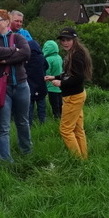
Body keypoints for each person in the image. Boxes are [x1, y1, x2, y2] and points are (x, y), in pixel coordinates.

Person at [0, 9, 32, 161]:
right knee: (3, 126)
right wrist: (14, 50)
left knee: (23, 121)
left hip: (21, 85)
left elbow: (26, 52)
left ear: (7, 22)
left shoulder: (18, 37)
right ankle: (6, 160)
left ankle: (27, 152)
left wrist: (6, 60)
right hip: (2, 88)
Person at [45, 26, 92, 159]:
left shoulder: (76, 55)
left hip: (73, 97)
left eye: (68, 40)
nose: (65, 43)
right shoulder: (75, 52)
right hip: (77, 94)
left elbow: (78, 78)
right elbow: (69, 74)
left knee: (65, 130)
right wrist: (54, 77)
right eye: (62, 40)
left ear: (74, 39)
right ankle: (83, 158)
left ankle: (77, 160)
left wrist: (61, 83)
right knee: (78, 129)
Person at [25, 38, 48, 125]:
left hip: (29, 86)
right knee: (41, 107)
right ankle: (42, 123)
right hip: (41, 85)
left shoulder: (25, 59)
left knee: (29, 108)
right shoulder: (41, 58)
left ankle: (29, 125)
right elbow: (47, 66)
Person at [42, 39, 64, 119]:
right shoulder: (59, 57)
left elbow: (47, 73)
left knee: (55, 107)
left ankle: (57, 120)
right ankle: (62, 119)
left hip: (51, 86)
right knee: (60, 105)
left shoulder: (48, 59)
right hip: (60, 85)